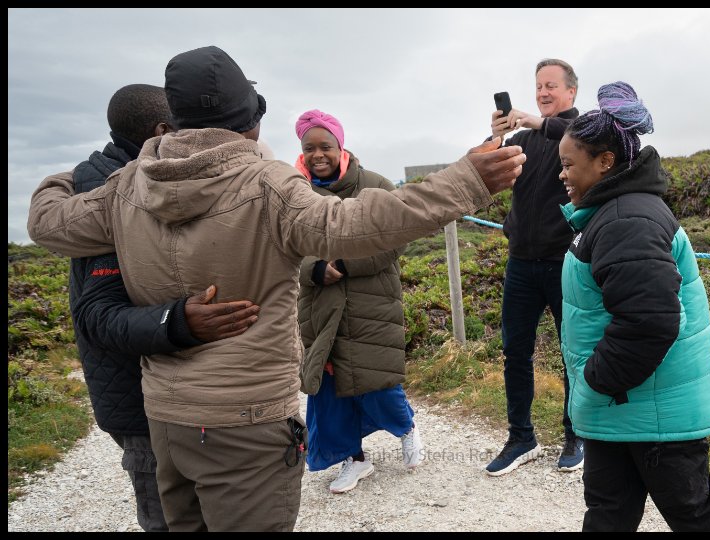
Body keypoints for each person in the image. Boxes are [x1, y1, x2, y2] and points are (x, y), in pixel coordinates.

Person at [27, 45, 525, 532]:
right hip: (248, 418)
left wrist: (65, 175)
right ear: (250, 121)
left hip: (167, 419)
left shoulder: (125, 186)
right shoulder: (268, 185)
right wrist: (464, 181)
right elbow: (356, 224)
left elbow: (47, 223)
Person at [66, 83, 260, 532]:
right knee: (171, 521)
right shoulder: (110, 190)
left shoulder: (147, 179)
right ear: (161, 129)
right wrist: (179, 320)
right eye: (184, 124)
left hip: (184, 398)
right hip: (143, 407)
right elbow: (96, 316)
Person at [557, 81, 710, 532]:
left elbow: (650, 320)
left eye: (568, 165)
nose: (562, 175)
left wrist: (597, 379)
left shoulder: (626, 220)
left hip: (646, 408)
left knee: (695, 514)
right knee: (609, 514)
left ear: (606, 163)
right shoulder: (616, 212)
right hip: (626, 407)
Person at [294, 109, 424, 494]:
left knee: (378, 381)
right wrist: (315, 269)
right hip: (321, 306)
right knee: (330, 391)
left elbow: (396, 237)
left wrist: (346, 264)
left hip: (371, 301)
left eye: (326, 146)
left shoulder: (375, 185)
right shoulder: (293, 191)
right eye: (309, 148)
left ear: (340, 145)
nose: (318, 154)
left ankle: (407, 429)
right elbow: (282, 246)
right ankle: (355, 459)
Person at [485, 59, 583, 476]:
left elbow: (576, 136)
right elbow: (486, 171)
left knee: (572, 354)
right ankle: (521, 437)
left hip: (564, 262)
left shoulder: (581, 133)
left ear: (571, 93)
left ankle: (577, 435)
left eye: (551, 86)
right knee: (515, 353)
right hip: (521, 263)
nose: (542, 93)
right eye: (538, 86)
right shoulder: (524, 137)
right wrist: (496, 136)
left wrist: (537, 124)